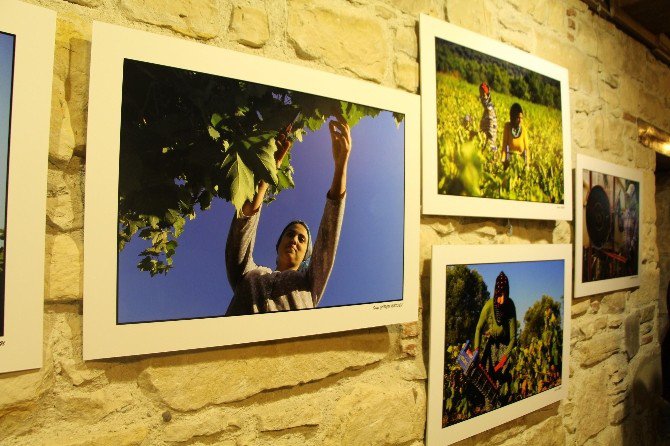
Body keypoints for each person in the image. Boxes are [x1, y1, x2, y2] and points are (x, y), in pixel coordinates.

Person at [224, 115, 351, 315]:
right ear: (278, 243)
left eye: (302, 239)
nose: (294, 239)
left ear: (308, 255)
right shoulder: (249, 273)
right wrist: (268, 171)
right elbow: (242, 229)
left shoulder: (309, 283)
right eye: (290, 234)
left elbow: (328, 238)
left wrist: (340, 167)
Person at [474, 271, 517, 383]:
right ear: (495, 293)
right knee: (485, 378)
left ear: (507, 293)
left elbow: (513, 338)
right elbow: (478, 329)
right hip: (491, 344)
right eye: (498, 295)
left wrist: (502, 361)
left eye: (504, 295)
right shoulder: (488, 306)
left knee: (500, 380)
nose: (501, 300)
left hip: (505, 347)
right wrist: (476, 352)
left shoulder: (510, 306)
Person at [501, 103, 529, 168]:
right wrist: (503, 160)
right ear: (513, 117)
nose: (520, 120)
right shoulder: (507, 127)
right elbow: (504, 145)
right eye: (518, 118)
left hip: (520, 164)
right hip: (510, 162)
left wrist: (527, 165)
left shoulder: (523, 130)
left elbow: (526, 149)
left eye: (521, 118)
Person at [478, 82, 498, 152]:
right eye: (480, 95)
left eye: (483, 95)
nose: (481, 97)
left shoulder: (490, 110)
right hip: (488, 147)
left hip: (489, 149)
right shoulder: (487, 109)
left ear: (488, 95)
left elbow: (490, 133)